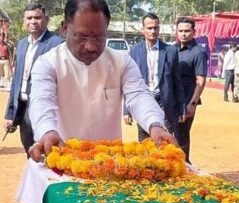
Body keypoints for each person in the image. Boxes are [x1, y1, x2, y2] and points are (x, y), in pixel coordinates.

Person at [28, 0, 176, 162]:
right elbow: (41, 102)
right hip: (63, 158)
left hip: (111, 164)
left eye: (99, 37)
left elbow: (139, 96)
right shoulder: (47, 64)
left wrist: (155, 126)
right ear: (64, 29)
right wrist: (47, 131)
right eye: (82, 37)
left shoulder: (121, 62)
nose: (91, 46)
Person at [3, 3, 63, 157]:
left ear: (46, 19)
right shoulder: (22, 44)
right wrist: (10, 114)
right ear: (24, 21)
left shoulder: (57, 44)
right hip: (23, 110)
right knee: (30, 154)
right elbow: (17, 80)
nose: (33, 21)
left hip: (44, 109)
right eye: (29, 18)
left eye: (37, 17)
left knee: (49, 155)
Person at [123, 12, 185, 142]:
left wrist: (181, 107)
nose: (153, 31)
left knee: (163, 140)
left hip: (165, 103)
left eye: (155, 28)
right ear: (143, 30)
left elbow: (177, 82)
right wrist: (126, 110)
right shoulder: (134, 51)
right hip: (143, 101)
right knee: (144, 140)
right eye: (149, 28)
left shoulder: (170, 51)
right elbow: (129, 82)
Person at [174, 17, 207, 163]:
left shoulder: (198, 52)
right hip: (170, 99)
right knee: (168, 134)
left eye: (187, 31)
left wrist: (192, 104)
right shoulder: (171, 49)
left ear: (194, 32)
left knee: (181, 137)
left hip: (186, 101)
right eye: (180, 31)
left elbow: (201, 80)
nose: (183, 34)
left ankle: (185, 167)